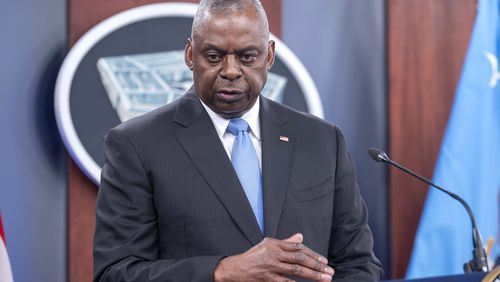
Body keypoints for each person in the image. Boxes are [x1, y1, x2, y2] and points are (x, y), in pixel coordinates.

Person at [93, 0, 383, 281]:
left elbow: (358, 264)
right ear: (190, 55)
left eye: (247, 57)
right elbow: (117, 273)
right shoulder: (137, 144)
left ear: (269, 56)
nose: (230, 71)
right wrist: (222, 271)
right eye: (214, 56)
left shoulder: (322, 141)